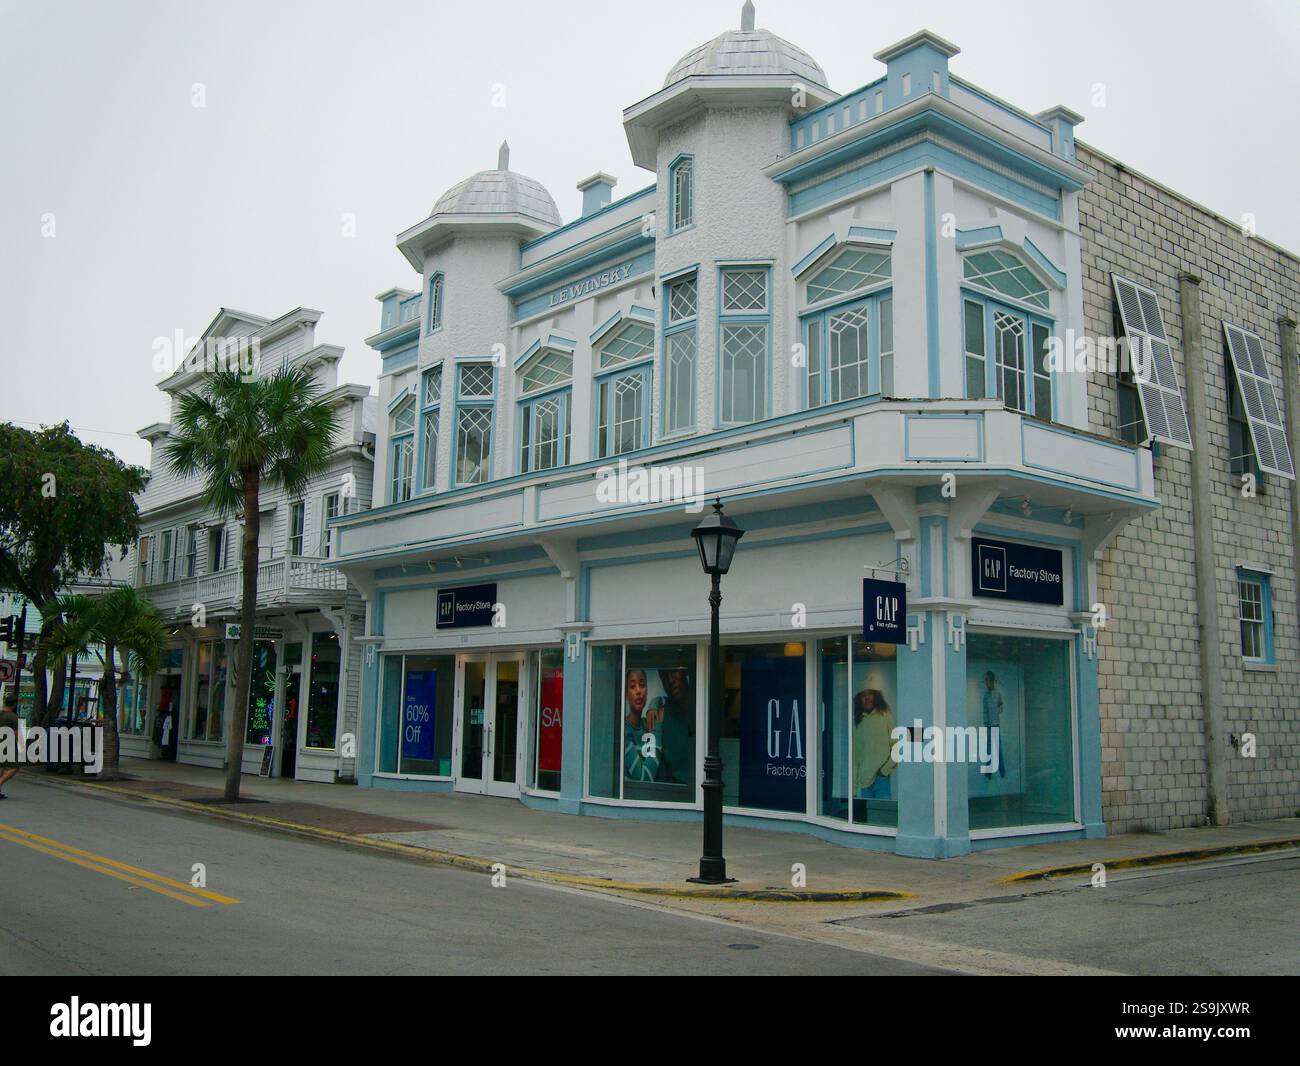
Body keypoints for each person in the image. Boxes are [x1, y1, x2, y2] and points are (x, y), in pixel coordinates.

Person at [851, 688, 896, 800]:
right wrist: (853, 789)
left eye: (870, 694)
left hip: (881, 779)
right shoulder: (860, 722)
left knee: (883, 815)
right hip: (864, 783)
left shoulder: (885, 715)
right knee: (866, 817)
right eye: (863, 696)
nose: (867, 698)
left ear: (875, 696)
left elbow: (897, 745)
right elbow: (855, 758)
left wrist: (884, 771)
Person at [656, 666, 694, 785]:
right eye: (664, 677)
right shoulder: (662, 713)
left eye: (673, 672)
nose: (670, 680)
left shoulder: (703, 705)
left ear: (684, 672)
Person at [622, 668, 662, 781]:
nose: (638, 691)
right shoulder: (623, 730)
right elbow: (644, 779)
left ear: (647, 691)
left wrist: (654, 703)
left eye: (642, 685)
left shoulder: (647, 724)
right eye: (632, 686)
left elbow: (664, 700)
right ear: (626, 695)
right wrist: (657, 729)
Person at [0, 692, 23, 799]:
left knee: (2, 767)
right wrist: (22, 747)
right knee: (14, 767)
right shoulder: (13, 717)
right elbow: (17, 733)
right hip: (7, 746)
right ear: (14, 705)